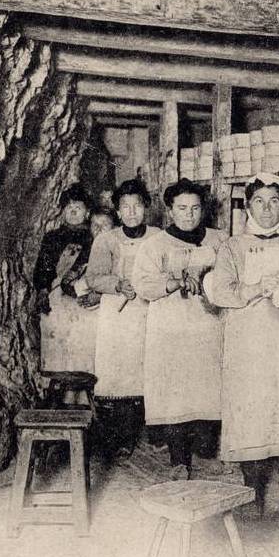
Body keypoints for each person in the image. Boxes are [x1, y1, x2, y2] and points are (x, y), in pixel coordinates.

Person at [203, 173, 279, 518]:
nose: (267, 209)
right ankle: (251, 497)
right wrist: (258, 286)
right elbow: (222, 292)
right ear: (248, 205)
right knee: (252, 417)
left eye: (274, 201)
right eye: (259, 201)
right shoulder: (232, 247)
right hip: (250, 347)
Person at [132, 179, 227, 479]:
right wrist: (172, 282)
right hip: (171, 330)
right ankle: (178, 460)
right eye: (182, 208)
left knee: (207, 393)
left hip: (209, 328)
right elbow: (143, 284)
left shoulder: (219, 240)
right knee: (174, 395)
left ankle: (205, 454)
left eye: (195, 208)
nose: (189, 215)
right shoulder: (155, 245)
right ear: (170, 210)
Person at [85, 179, 160, 457]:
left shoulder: (157, 237)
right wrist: (118, 284)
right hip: (116, 314)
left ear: (146, 208)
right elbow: (94, 278)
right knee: (115, 375)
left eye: (137, 206)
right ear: (117, 212)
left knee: (145, 370)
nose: (131, 212)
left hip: (148, 311)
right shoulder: (106, 240)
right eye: (125, 207)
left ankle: (143, 432)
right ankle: (115, 437)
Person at [34, 183, 99, 373]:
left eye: (78, 207)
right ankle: (60, 381)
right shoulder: (52, 237)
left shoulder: (92, 237)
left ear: (87, 212)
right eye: (68, 207)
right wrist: (43, 289)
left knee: (82, 337)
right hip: (56, 294)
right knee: (56, 335)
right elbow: (43, 267)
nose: (73, 211)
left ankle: (83, 381)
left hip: (82, 294)